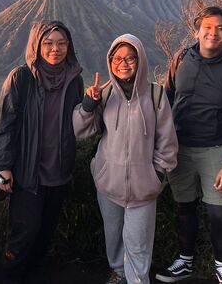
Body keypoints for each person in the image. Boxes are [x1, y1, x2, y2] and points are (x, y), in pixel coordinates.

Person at [155, 7, 222, 284]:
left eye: (220, 28)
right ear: (196, 30)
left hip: (217, 150)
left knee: (220, 213)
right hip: (179, 148)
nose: (213, 33)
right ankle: (185, 261)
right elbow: (167, 98)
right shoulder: (182, 59)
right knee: (184, 207)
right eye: (207, 27)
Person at [73, 34, 178, 284]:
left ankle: (137, 280)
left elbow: (167, 140)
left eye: (130, 57)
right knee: (114, 235)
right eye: (118, 58)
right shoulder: (105, 93)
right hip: (108, 183)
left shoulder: (156, 94)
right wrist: (89, 104)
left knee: (139, 242)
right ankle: (118, 272)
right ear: (110, 62)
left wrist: (157, 175)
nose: (124, 63)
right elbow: (79, 131)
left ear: (140, 59)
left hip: (144, 186)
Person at [0, 20, 84, 284]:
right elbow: (5, 124)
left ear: (69, 46)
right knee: (24, 233)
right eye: (48, 43)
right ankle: (5, 279)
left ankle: (31, 277)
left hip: (59, 172)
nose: (56, 48)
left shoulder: (74, 79)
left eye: (62, 43)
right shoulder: (21, 78)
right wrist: (4, 165)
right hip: (27, 173)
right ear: (36, 45)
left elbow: (79, 121)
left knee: (45, 234)